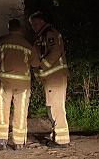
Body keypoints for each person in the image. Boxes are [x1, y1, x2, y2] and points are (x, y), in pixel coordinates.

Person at [0, 18, 40, 150]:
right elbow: (36, 63)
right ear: (21, 29)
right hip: (23, 85)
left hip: (4, 83)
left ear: (9, 28)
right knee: (21, 111)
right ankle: (19, 143)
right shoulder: (28, 45)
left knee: (1, 110)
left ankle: (1, 141)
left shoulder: (1, 42)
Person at [29, 11, 70, 147]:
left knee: (55, 107)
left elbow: (55, 52)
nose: (33, 26)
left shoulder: (49, 34)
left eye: (35, 23)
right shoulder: (40, 37)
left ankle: (61, 140)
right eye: (32, 24)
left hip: (55, 77)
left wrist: (42, 67)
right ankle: (57, 135)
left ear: (41, 21)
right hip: (51, 78)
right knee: (52, 107)